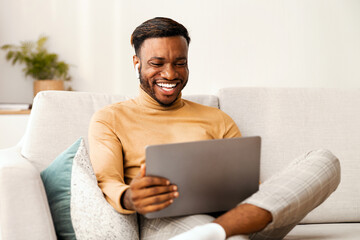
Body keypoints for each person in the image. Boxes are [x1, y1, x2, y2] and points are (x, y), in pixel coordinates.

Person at [89, 17, 340, 240]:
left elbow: (252, 187)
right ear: (137, 63)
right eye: (157, 63)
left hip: (247, 216)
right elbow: (107, 180)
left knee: (325, 160)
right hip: (167, 221)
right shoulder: (110, 118)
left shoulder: (217, 119)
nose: (170, 73)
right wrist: (130, 196)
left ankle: (215, 232)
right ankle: (216, 233)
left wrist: (260, 198)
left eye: (180, 63)